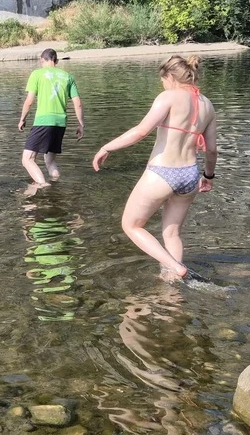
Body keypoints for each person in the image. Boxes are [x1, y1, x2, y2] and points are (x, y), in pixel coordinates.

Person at [91, 55, 218, 281]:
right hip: (190, 175)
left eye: (163, 80)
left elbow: (141, 131)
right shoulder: (207, 104)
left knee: (131, 225)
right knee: (172, 233)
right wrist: (208, 176)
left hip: (162, 172)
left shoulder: (168, 97)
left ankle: (175, 268)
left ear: (170, 76)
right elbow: (211, 150)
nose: (162, 84)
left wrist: (106, 147)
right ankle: (171, 283)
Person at [19, 48, 84, 186]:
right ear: (56, 61)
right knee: (50, 161)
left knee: (27, 159)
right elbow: (77, 103)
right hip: (60, 124)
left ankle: (43, 185)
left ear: (42, 60)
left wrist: (22, 119)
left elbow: (29, 101)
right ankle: (56, 185)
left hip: (43, 121)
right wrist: (80, 124)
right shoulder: (68, 76)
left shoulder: (37, 74)